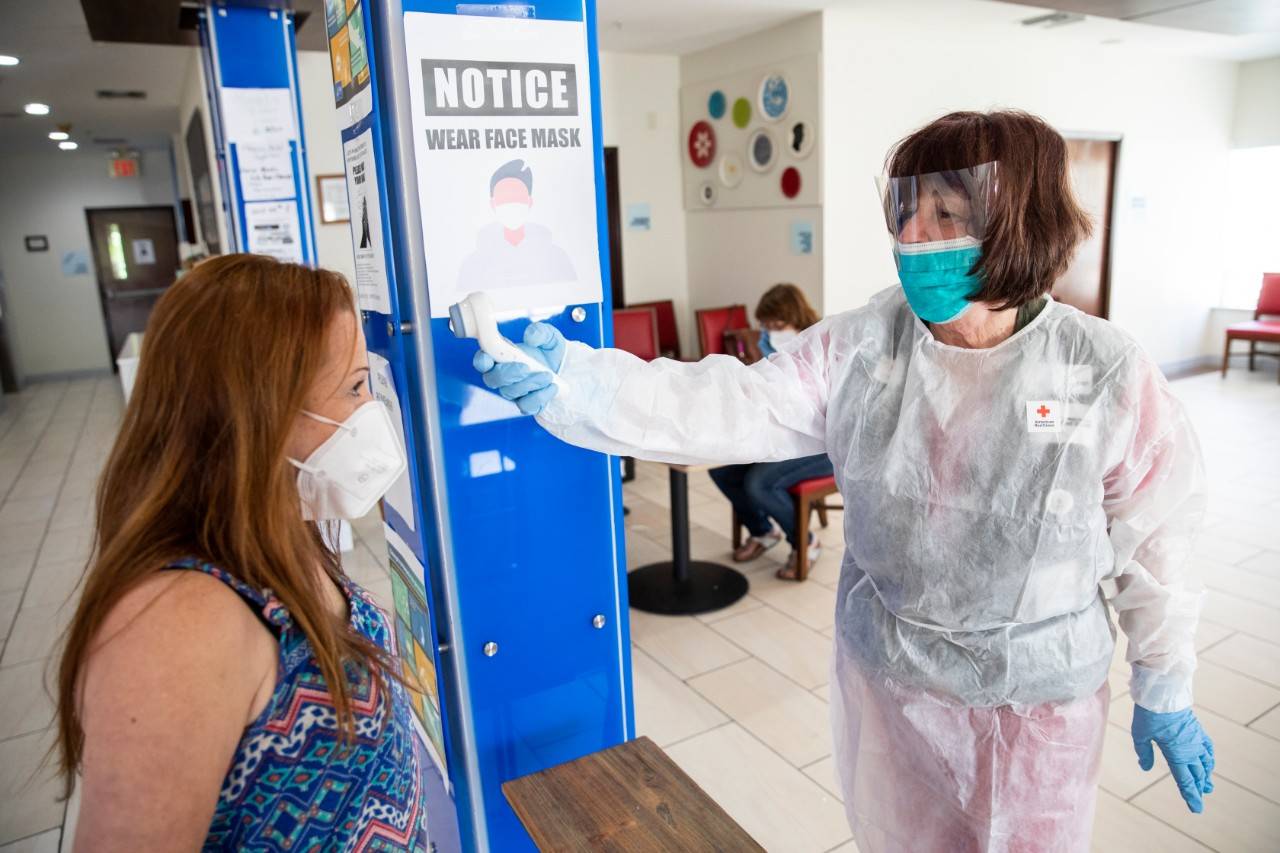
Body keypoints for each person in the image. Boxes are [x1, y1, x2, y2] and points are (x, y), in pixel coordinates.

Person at [471, 110, 1214, 850]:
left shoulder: (1102, 370)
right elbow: (727, 403)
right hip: (893, 693)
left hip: (1033, 719)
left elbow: (1159, 537)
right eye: (906, 210)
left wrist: (1166, 683)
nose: (912, 237)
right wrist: (581, 384)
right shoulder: (865, 349)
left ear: (1017, 224)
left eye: (946, 213)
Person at [56, 255, 432, 851]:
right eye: (355, 387)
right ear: (260, 410)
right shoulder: (177, 624)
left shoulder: (283, 535)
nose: (374, 414)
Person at [711, 283, 834, 578]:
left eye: (776, 324)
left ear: (794, 316)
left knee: (758, 483)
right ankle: (763, 531)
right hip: (785, 436)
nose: (770, 330)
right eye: (766, 325)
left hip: (824, 442)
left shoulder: (824, 343)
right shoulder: (767, 346)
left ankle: (806, 542)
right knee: (722, 471)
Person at [457, 158, 577, 292]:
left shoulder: (557, 258)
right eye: (504, 198)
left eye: (517, 197)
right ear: (493, 204)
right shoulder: (473, 266)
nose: (511, 203)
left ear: (529, 202)